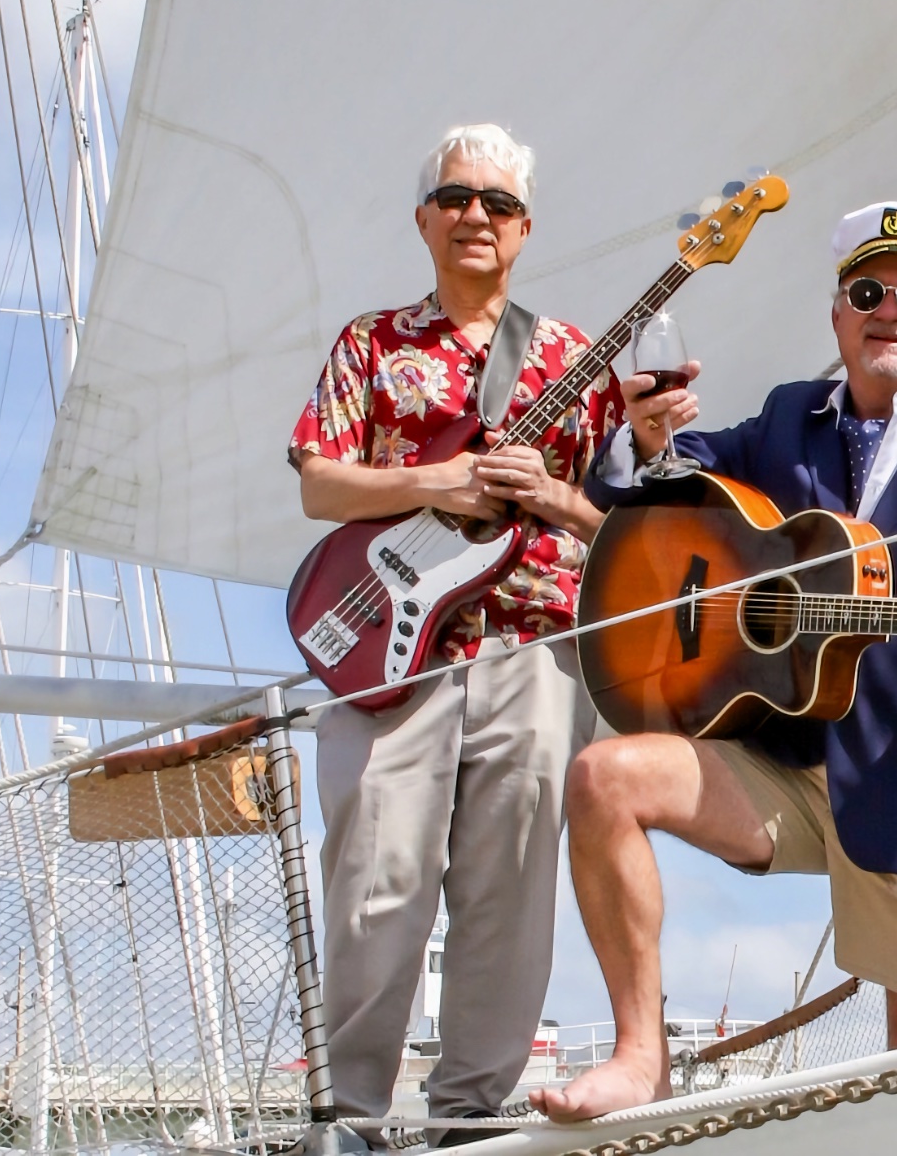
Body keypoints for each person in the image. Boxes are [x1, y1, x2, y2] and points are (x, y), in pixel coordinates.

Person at [531, 201, 897, 1120]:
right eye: (867, 291)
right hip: (773, 763)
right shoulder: (786, 419)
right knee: (603, 777)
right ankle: (638, 1058)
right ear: (838, 316)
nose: (888, 309)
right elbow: (650, 486)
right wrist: (646, 436)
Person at [289, 123, 620, 1136]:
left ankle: (468, 1116)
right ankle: (348, 1113)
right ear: (425, 217)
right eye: (458, 197)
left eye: (499, 203)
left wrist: (594, 469)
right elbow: (319, 481)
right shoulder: (370, 342)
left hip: (534, 644)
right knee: (375, 880)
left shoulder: (573, 356)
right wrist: (428, 479)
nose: (478, 214)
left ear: (525, 228)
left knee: (510, 887)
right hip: (393, 646)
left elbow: (624, 519)